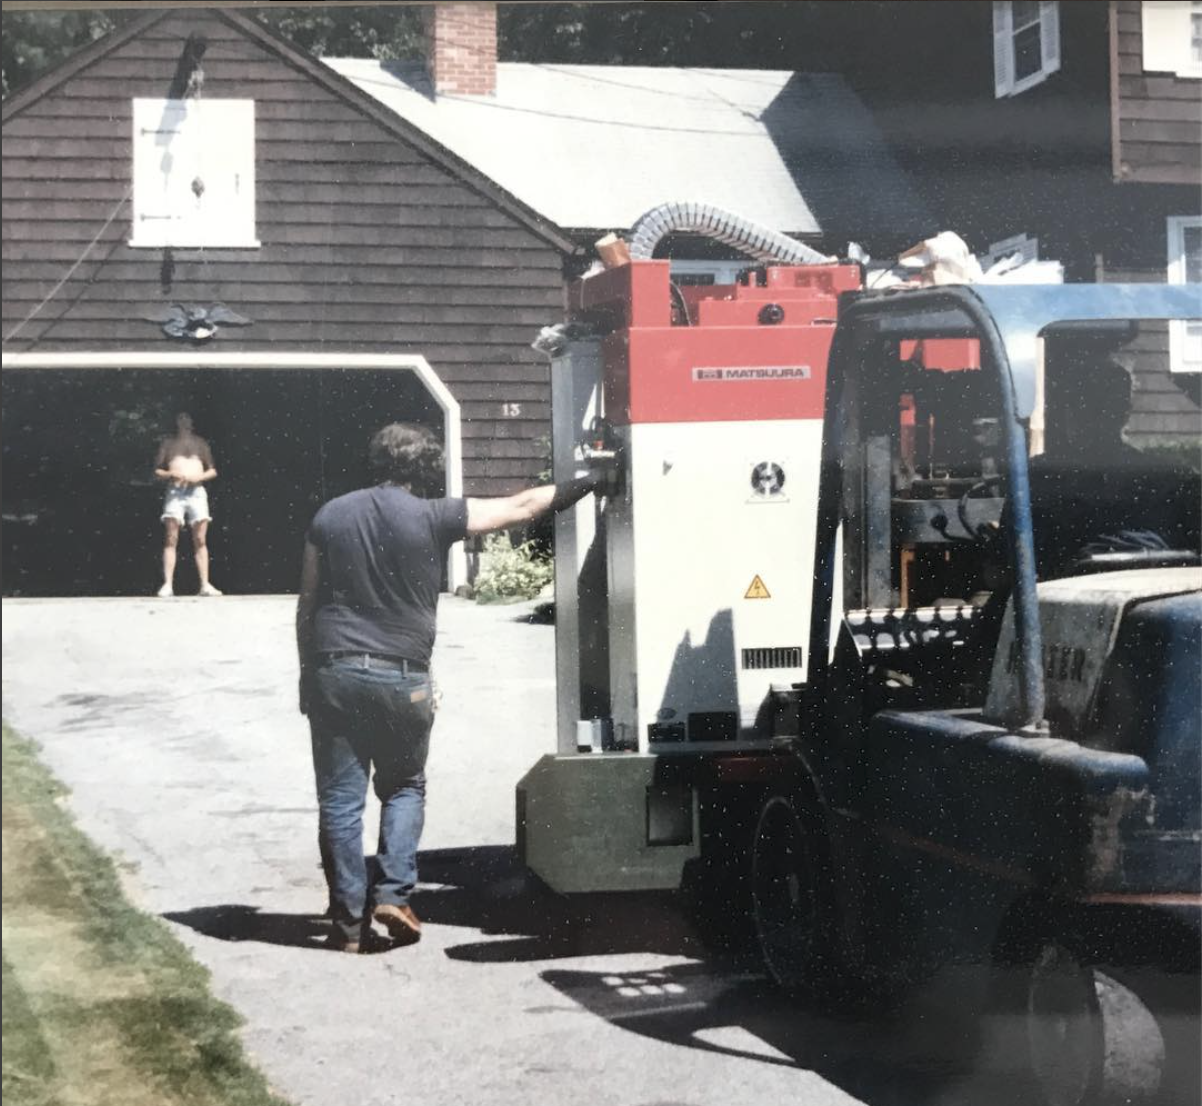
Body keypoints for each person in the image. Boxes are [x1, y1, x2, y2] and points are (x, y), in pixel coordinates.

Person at [296, 422, 600, 953]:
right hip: (403, 675)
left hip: (334, 671)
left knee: (340, 803)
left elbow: (307, 604)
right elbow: (523, 505)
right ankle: (393, 893)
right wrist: (595, 478)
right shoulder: (435, 515)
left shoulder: (330, 515)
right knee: (405, 785)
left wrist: (308, 675)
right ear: (426, 469)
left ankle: (346, 923)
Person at [1027, 357, 1200, 579]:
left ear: (1069, 412)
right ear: (1125, 412)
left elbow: (1004, 566)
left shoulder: (1039, 477)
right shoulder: (1173, 478)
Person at [154, 413, 222, 598]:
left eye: (187, 418)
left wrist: (198, 477)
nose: (184, 422)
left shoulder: (200, 444)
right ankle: (167, 584)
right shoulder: (168, 444)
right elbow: (157, 470)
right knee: (171, 538)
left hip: (196, 491)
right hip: (175, 492)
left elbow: (213, 470)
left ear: (192, 422)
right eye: (180, 418)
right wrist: (171, 474)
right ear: (176, 422)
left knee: (200, 539)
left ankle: (205, 585)